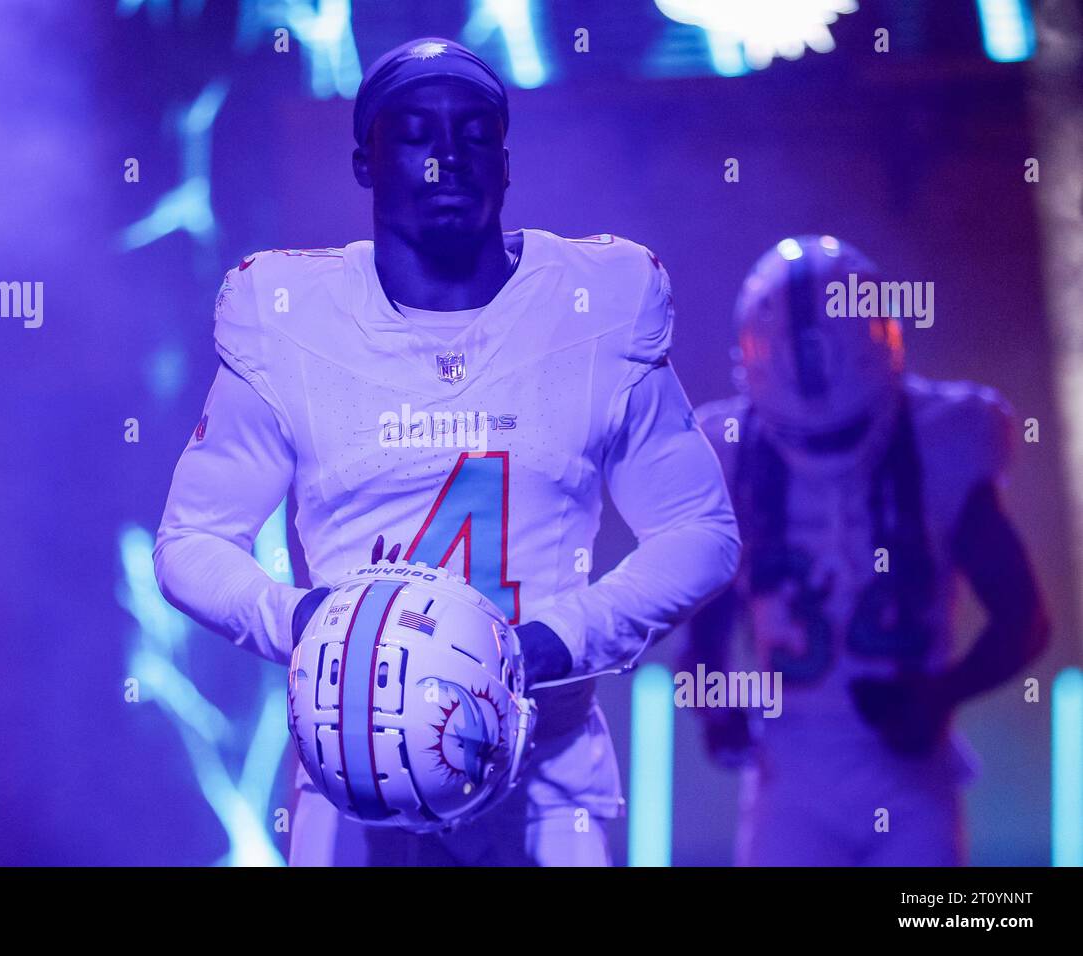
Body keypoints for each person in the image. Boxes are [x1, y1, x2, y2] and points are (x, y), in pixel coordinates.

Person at [154, 37, 739, 866]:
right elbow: (189, 543)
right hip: (355, 785)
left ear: (505, 162)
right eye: (416, 132)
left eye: (473, 133)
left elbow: (701, 532)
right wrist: (301, 621)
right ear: (365, 161)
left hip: (548, 775)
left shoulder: (597, 305)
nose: (447, 157)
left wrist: (561, 639)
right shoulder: (287, 315)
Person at [688, 235, 1050, 866]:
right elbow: (704, 616)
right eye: (802, 435)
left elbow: (1025, 618)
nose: (827, 454)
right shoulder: (733, 448)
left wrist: (940, 693)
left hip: (907, 776)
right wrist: (714, 700)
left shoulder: (943, 438)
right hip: (789, 770)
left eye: (847, 430)